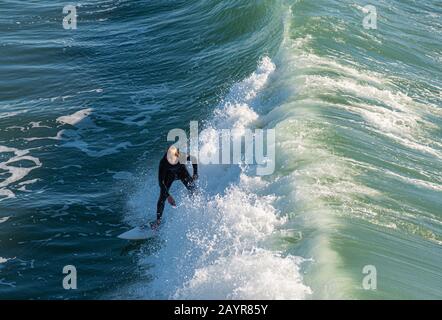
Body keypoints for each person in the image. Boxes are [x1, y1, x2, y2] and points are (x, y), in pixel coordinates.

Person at [152, 145, 198, 229]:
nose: (170, 161)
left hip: (182, 172)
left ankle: (195, 208)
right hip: (169, 176)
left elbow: (194, 159)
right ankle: (158, 221)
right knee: (163, 196)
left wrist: (195, 173)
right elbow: (161, 183)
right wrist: (168, 196)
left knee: (193, 190)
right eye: (169, 159)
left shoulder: (181, 156)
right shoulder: (163, 162)